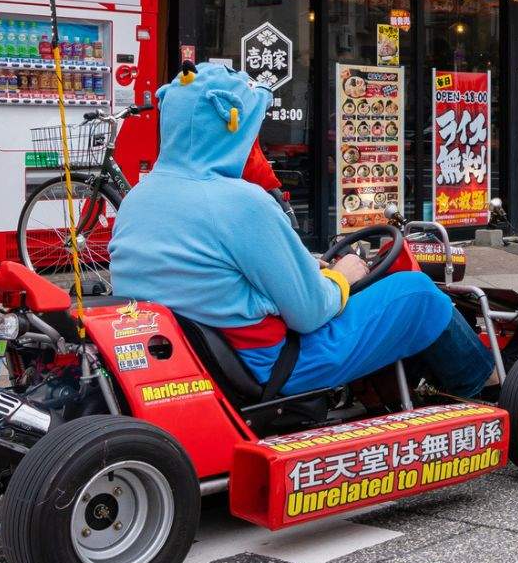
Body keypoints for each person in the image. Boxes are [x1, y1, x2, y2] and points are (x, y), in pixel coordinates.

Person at [109, 63, 493, 397]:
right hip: (268, 362)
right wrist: (342, 276)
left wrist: (314, 270)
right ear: (232, 130)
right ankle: (482, 381)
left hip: (186, 354)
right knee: (417, 293)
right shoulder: (241, 203)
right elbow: (309, 312)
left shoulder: (141, 196)